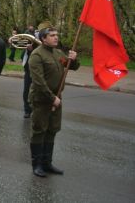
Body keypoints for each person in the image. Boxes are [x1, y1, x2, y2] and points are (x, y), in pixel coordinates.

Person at [28, 22, 79, 177]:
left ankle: (47, 163)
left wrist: (74, 59)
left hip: (56, 99)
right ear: (44, 39)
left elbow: (72, 66)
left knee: (52, 130)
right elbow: (39, 82)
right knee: (39, 131)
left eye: (57, 35)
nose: (56, 38)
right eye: (52, 35)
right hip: (42, 100)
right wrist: (52, 99)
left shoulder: (58, 54)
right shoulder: (37, 55)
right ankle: (36, 165)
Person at [22, 25, 37, 118]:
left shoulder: (37, 46)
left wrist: (31, 51)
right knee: (26, 91)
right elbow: (22, 58)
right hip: (28, 71)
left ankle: (35, 109)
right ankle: (27, 110)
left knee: (35, 92)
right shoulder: (26, 47)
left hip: (36, 72)